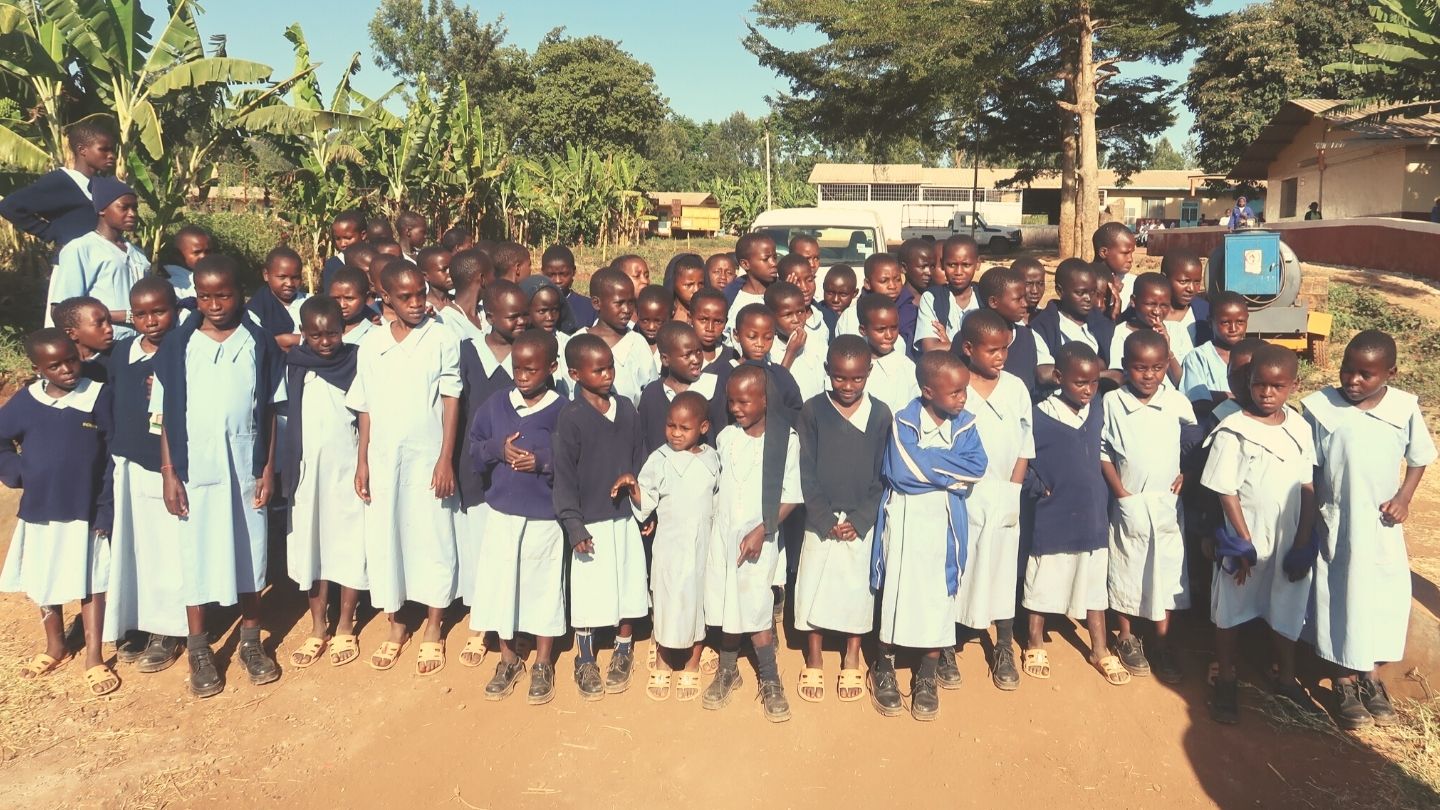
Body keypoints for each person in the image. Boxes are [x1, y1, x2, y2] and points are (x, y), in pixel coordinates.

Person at [152, 255, 283, 697]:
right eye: (205, 296)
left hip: (245, 467)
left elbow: (267, 412)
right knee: (197, 555)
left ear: (239, 292)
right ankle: (199, 650)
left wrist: (267, 470)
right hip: (195, 470)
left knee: (251, 553)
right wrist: (170, 473)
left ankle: (250, 641)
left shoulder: (257, 342)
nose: (214, 304)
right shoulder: (178, 345)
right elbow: (167, 416)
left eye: (222, 294)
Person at [1303, 331, 1435, 729]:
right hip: (1337, 522)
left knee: (1383, 595)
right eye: (1347, 369)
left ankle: (1371, 676)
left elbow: (1419, 458)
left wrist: (1405, 498)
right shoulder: (1320, 408)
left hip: (1382, 523)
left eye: (1366, 375)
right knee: (1337, 594)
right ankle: (1343, 680)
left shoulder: (1403, 408)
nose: (1353, 381)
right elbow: (1310, 469)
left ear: (1389, 374)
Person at [349, 260, 461, 677]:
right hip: (383, 457)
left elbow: (451, 399)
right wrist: (362, 459)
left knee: (432, 535)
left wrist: (445, 457)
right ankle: (396, 624)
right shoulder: (371, 344)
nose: (417, 303)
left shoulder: (440, 338)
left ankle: (433, 626)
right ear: (386, 299)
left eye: (421, 293)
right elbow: (365, 406)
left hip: (428, 454)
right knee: (386, 536)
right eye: (406, 297)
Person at [1202, 344, 1317, 724]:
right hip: (1247, 540)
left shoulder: (1299, 427)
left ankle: (1285, 678)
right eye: (1259, 385)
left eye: (1277, 386)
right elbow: (1225, 489)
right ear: (1247, 384)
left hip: (1287, 539)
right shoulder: (1233, 430)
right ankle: (1227, 678)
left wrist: (1302, 542)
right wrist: (1241, 540)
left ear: (1292, 386)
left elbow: (1307, 485)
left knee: (1286, 607)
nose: (1267, 393)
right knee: (1231, 608)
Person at [872, 351, 989, 720]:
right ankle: (885, 665)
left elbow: (976, 467)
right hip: (906, 519)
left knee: (939, 595)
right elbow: (903, 469)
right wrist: (947, 473)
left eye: (964, 391)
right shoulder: (904, 421)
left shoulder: (966, 424)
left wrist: (930, 464)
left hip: (944, 522)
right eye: (954, 392)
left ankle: (926, 672)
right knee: (898, 592)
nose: (962, 399)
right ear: (927, 391)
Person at [0, 329, 118, 696]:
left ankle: (94, 657)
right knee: (43, 576)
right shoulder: (26, 402)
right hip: (40, 509)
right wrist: (17, 472)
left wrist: (106, 507)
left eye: (71, 359)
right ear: (38, 369)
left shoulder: (96, 396)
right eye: (55, 365)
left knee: (92, 581)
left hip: (85, 508)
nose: (67, 369)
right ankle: (55, 646)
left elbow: (113, 454)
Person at [468, 328, 568, 705]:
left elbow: (574, 460)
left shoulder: (562, 410)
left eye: (531, 369)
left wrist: (542, 461)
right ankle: (508, 657)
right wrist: (497, 449)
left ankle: (543, 660)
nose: (522, 376)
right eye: (517, 368)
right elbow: (475, 449)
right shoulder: (495, 405)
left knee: (542, 587)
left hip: (544, 516)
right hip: (502, 514)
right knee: (502, 584)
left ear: (551, 367)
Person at [703, 365, 802, 722]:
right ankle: (728, 669)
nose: (736, 408)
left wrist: (763, 529)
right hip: (725, 536)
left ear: (765, 400)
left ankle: (771, 679)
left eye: (745, 401)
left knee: (757, 606)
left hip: (761, 536)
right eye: (732, 401)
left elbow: (791, 494)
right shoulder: (727, 438)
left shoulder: (785, 440)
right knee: (728, 602)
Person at [793, 336, 890, 703]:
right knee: (814, 585)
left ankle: (852, 655)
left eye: (856, 379)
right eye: (839, 378)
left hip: (859, 518)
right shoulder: (813, 411)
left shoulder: (880, 415)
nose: (848, 387)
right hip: (821, 518)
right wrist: (820, 514)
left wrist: (863, 517)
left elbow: (884, 472)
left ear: (868, 373)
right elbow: (804, 468)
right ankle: (814, 657)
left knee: (856, 590)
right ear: (827, 373)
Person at [1101, 329, 1200, 685]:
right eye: (1140, 367)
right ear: (1125, 366)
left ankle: (1161, 641)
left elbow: (1193, 445)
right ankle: (1126, 636)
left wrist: (1186, 475)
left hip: (1166, 505)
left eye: (1157, 368)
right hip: (1129, 501)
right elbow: (1104, 452)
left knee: (1167, 570)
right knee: (1128, 567)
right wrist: (1120, 491)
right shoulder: (1113, 403)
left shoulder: (1176, 402)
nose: (1149, 375)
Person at [553, 335, 649, 700]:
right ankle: (585, 657)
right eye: (599, 369)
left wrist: (644, 508)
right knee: (590, 592)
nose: (608, 374)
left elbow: (640, 460)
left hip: (625, 517)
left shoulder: (626, 409)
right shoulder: (571, 417)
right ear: (575, 373)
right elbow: (563, 478)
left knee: (627, 584)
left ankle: (624, 648)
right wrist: (573, 525)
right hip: (589, 521)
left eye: (610, 367)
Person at [1021, 343, 1123, 685]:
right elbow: (1023, 458)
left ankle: (1100, 648)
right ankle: (1034, 642)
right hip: (1053, 511)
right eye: (1080, 382)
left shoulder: (1097, 410)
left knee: (1093, 583)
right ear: (1059, 378)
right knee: (1044, 577)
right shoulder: (1038, 415)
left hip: (1092, 509)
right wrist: (1038, 486)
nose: (1088, 389)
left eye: (1094, 382)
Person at [102, 278, 186, 672]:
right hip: (130, 463)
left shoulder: (185, 349)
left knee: (167, 550)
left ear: (175, 309)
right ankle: (135, 620)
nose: (151, 321)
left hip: (166, 468)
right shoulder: (123, 352)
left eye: (159, 311)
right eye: (141, 314)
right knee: (135, 550)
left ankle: (168, 628)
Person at [951, 310, 1034, 692]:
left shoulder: (1015, 388)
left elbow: (1024, 444)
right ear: (968, 349)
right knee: (958, 568)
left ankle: (1002, 645)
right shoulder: (954, 385)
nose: (1001, 356)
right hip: (961, 494)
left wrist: (1012, 488)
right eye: (992, 350)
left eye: (1005, 349)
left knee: (1001, 569)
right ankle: (946, 644)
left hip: (1003, 491)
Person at [282, 297, 366, 672]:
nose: (325, 341)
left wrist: (363, 463)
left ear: (343, 328)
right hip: (304, 471)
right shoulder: (295, 365)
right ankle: (318, 627)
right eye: (315, 335)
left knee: (348, 544)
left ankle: (346, 624)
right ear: (303, 334)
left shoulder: (357, 362)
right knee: (310, 545)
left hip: (346, 469)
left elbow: (366, 417)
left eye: (332, 333)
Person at [630, 392, 720, 702]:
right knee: (668, 598)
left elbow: (718, 499)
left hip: (704, 546)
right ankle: (665, 658)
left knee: (699, 601)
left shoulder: (712, 458)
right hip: (670, 545)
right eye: (671, 426)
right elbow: (646, 499)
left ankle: (692, 662)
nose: (676, 434)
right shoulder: (660, 459)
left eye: (684, 428)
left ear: (703, 427)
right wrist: (634, 490)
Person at [0, 118, 117, 259]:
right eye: (104, 150)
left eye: (112, 150)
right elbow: (9, 206)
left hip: (101, 263)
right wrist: (52, 233)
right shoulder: (60, 181)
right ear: (82, 150)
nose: (111, 156)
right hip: (73, 265)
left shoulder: (102, 185)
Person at [49, 176, 148, 337]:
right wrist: (125, 315)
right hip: (103, 346)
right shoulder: (81, 249)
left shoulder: (138, 254)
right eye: (124, 208)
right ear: (102, 209)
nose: (132, 214)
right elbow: (62, 311)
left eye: (135, 208)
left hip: (139, 346)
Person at [638, 321, 718, 455]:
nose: (696, 360)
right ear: (665, 359)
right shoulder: (651, 394)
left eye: (698, 352)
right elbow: (645, 442)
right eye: (687, 355)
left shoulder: (713, 387)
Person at [974, 267, 1053, 397]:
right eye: (1018, 300)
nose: (1024, 304)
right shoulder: (970, 335)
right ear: (994, 302)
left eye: (1024, 298)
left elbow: (1045, 369)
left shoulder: (1028, 336)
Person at [585, 268, 656, 407]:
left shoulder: (637, 343)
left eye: (631, 302)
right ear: (596, 303)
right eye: (619, 303)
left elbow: (651, 395)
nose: (627, 309)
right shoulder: (578, 343)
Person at [1030, 259, 1118, 370]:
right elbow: (1044, 373)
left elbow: (1117, 373)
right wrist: (1094, 367)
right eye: (1080, 293)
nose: (1088, 298)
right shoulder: (1043, 326)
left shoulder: (1103, 324)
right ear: (1059, 291)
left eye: (1092, 292)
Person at [1181, 291, 1250, 417]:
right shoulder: (1198, 357)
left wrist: (1214, 394)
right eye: (1225, 322)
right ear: (1210, 321)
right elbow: (1197, 400)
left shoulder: (1256, 353)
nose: (1233, 328)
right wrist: (1234, 397)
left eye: (1240, 322)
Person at [1107, 273, 1182, 387]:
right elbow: (1120, 376)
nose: (1156, 311)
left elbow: (1182, 382)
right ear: (1133, 301)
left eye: (1164, 305)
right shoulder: (1120, 333)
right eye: (1150, 304)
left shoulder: (1176, 330)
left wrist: (1167, 349)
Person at [854, 293, 919, 415]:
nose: (889, 335)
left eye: (894, 328)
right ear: (863, 330)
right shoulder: (851, 365)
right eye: (881, 329)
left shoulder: (907, 368)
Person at [766, 279, 827, 401]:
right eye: (787, 315)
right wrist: (791, 353)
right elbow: (772, 391)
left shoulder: (819, 347)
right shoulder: (767, 350)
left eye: (800, 312)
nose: (796, 319)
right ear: (770, 316)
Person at [246, 246, 307, 351]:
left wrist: (287, 340)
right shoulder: (256, 309)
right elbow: (257, 343)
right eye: (282, 277)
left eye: (295, 277)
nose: (289, 283)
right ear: (266, 275)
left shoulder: (310, 302)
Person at [520, 275, 573, 396]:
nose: (550, 318)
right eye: (542, 311)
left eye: (554, 310)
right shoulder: (517, 346)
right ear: (527, 311)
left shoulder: (567, 344)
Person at [835, 253, 905, 339]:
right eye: (884, 281)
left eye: (897, 280)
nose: (892, 286)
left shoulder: (908, 308)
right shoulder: (851, 316)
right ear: (868, 284)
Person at [724, 233, 780, 337]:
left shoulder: (781, 295)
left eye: (775, 257)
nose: (774, 263)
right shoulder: (731, 297)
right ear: (745, 264)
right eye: (766, 259)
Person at [53, 296, 114, 382]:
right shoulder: (60, 367)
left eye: (110, 321)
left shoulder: (122, 354)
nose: (109, 329)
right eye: (99, 324)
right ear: (71, 334)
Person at [1160, 250, 1211, 353]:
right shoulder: (1145, 312)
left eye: (1197, 282)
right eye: (1183, 281)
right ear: (1164, 278)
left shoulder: (1205, 312)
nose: (1191, 288)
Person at [893, 238, 935, 356]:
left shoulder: (937, 299)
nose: (929, 272)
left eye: (932, 266)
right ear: (904, 268)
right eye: (923, 267)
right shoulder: (896, 302)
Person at [781, 250, 831, 347]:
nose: (805, 288)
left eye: (809, 280)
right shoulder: (775, 322)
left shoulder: (826, 318)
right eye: (796, 282)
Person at [540, 245, 591, 333]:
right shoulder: (534, 307)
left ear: (573, 271)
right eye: (551, 275)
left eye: (563, 274)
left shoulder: (589, 308)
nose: (557, 280)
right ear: (542, 272)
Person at [1092, 222, 1136, 320]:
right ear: (1104, 252)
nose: (1130, 259)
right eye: (1125, 253)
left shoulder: (1134, 283)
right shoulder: (1084, 280)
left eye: (1132, 253)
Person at [327, 267, 378, 346]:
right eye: (336, 298)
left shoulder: (376, 335)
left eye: (349, 298)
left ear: (366, 297)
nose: (342, 305)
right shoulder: (318, 331)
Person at [162, 224, 211, 302]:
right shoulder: (171, 285)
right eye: (197, 252)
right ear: (178, 255)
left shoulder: (212, 277)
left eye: (208, 252)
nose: (204, 256)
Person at [320, 210, 366, 290]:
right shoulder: (333, 265)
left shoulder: (374, 260)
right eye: (337, 239)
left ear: (363, 235)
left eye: (348, 238)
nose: (342, 244)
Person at [662, 252, 707, 323]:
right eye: (689, 285)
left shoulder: (709, 315)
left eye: (701, 284)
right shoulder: (662, 314)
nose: (696, 290)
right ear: (673, 283)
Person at [820, 263, 859, 339]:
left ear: (854, 293)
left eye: (843, 294)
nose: (835, 300)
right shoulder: (817, 314)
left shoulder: (857, 317)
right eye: (830, 293)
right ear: (824, 287)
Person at [635, 285, 672, 363]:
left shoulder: (675, 345)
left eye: (658, 322)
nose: (651, 327)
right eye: (645, 321)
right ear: (637, 313)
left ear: (671, 316)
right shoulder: (631, 343)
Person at [418, 245, 455, 318]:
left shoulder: (458, 303)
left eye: (452, 267)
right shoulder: (423, 309)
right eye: (444, 270)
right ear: (425, 276)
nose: (450, 272)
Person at [1014, 257, 1046, 323]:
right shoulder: (1004, 323)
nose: (1035, 291)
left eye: (1040, 284)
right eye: (1028, 284)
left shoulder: (1048, 318)